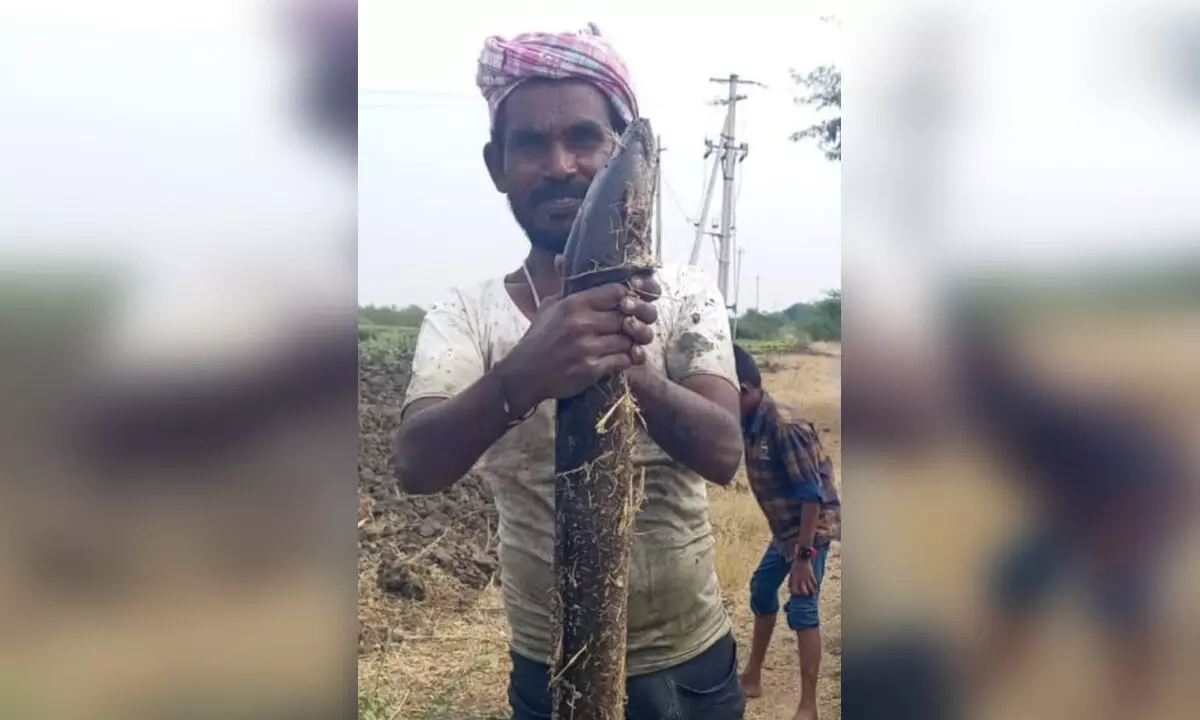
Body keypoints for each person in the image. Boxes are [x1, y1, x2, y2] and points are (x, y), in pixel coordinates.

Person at [393, 24, 747, 720]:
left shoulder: (685, 296)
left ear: (622, 152)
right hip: (549, 667)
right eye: (531, 144)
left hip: (689, 663)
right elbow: (414, 464)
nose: (559, 164)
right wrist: (526, 372)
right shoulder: (466, 313)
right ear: (497, 165)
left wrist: (625, 368)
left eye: (583, 138)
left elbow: (724, 452)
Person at [731, 344, 841, 720]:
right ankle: (752, 676)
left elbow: (812, 495)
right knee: (761, 590)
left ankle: (808, 705)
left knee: (803, 605)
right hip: (785, 530)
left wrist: (804, 558)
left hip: (812, 530)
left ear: (743, 390)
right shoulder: (747, 421)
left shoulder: (783, 426)